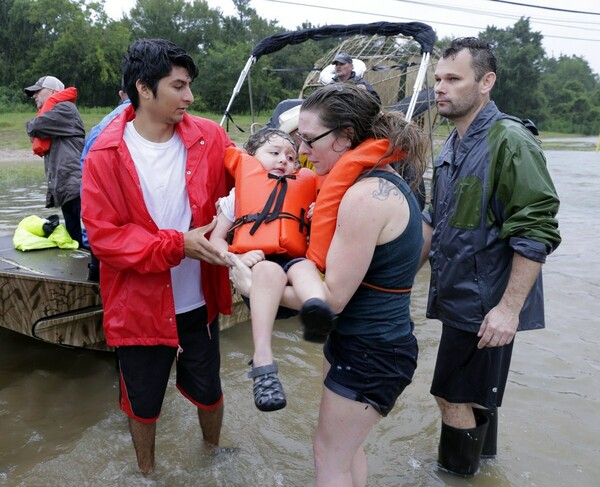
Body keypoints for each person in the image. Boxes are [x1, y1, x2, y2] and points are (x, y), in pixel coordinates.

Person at [230, 83, 428, 485]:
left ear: (344, 138)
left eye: (308, 139)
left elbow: (332, 299)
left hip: (372, 350)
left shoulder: (364, 197)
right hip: (367, 343)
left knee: (328, 455)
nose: (301, 150)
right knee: (346, 450)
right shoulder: (384, 180)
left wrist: (251, 288)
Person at [81, 38, 235, 475]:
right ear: (144, 89)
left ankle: (213, 457)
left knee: (210, 389)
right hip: (139, 306)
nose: (189, 96)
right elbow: (104, 237)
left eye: (189, 86)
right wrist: (176, 245)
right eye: (178, 86)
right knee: (142, 401)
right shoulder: (106, 153)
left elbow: (243, 187)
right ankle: (146, 472)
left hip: (197, 300)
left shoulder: (209, 136)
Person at [420, 37, 561, 477]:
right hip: (460, 297)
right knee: (478, 394)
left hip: (486, 306)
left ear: (486, 82)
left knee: (450, 395)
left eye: (453, 79)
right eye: (438, 79)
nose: (440, 88)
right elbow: (434, 220)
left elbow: (536, 230)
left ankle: (454, 477)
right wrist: (394, 279)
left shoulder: (510, 141)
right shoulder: (452, 145)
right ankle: (483, 471)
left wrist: (508, 309)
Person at [211, 128, 334, 412]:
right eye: (274, 153)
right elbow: (216, 240)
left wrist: (319, 213)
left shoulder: (307, 189)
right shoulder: (237, 195)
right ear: (252, 158)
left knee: (304, 267)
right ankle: (263, 362)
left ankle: (316, 310)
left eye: (291, 157)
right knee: (270, 269)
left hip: (294, 266)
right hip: (259, 275)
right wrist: (236, 257)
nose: (284, 161)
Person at [24, 75, 86, 248]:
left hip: (77, 187)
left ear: (53, 92)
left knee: (89, 239)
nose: (34, 96)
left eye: (37, 91)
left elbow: (33, 126)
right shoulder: (54, 115)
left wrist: (32, 131)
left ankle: (97, 272)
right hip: (67, 188)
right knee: (75, 242)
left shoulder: (65, 109)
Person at [79, 88, 131, 281]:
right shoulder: (157, 122)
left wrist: (89, 239)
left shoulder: (102, 125)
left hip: (105, 242)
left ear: (121, 94)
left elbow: (88, 187)